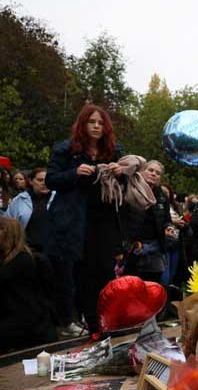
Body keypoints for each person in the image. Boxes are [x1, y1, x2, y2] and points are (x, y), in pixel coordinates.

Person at [45, 104, 126, 335]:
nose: (97, 127)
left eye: (101, 123)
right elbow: (51, 179)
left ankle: (105, 321)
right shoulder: (66, 149)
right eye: (92, 122)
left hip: (104, 221)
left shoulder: (114, 150)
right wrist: (74, 173)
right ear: (83, 124)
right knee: (79, 275)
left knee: (105, 272)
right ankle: (86, 322)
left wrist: (120, 174)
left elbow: (124, 188)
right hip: (74, 221)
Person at [0, 218, 57, 350]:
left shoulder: (22, 259)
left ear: (9, 234)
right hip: (13, 317)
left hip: (25, 321)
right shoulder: (7, 259)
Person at [125, 160, 175, 283]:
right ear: (142, 172)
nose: (154, 174)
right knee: (131, 285)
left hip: (155, 249)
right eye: (150, 170)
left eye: (158, 173)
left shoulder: (162, 196)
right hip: (133, 247)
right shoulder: (131, 188)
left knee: (153, 286)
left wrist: (168, 226)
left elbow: (166, 219)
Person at [5, 168, 54, 252]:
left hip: (53, 250)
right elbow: (8, 225)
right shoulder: (19, 200)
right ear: (31, 181)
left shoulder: (58, 199)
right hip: (25, 250)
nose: (44, 183)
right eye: (40, 180)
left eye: (48, 180)